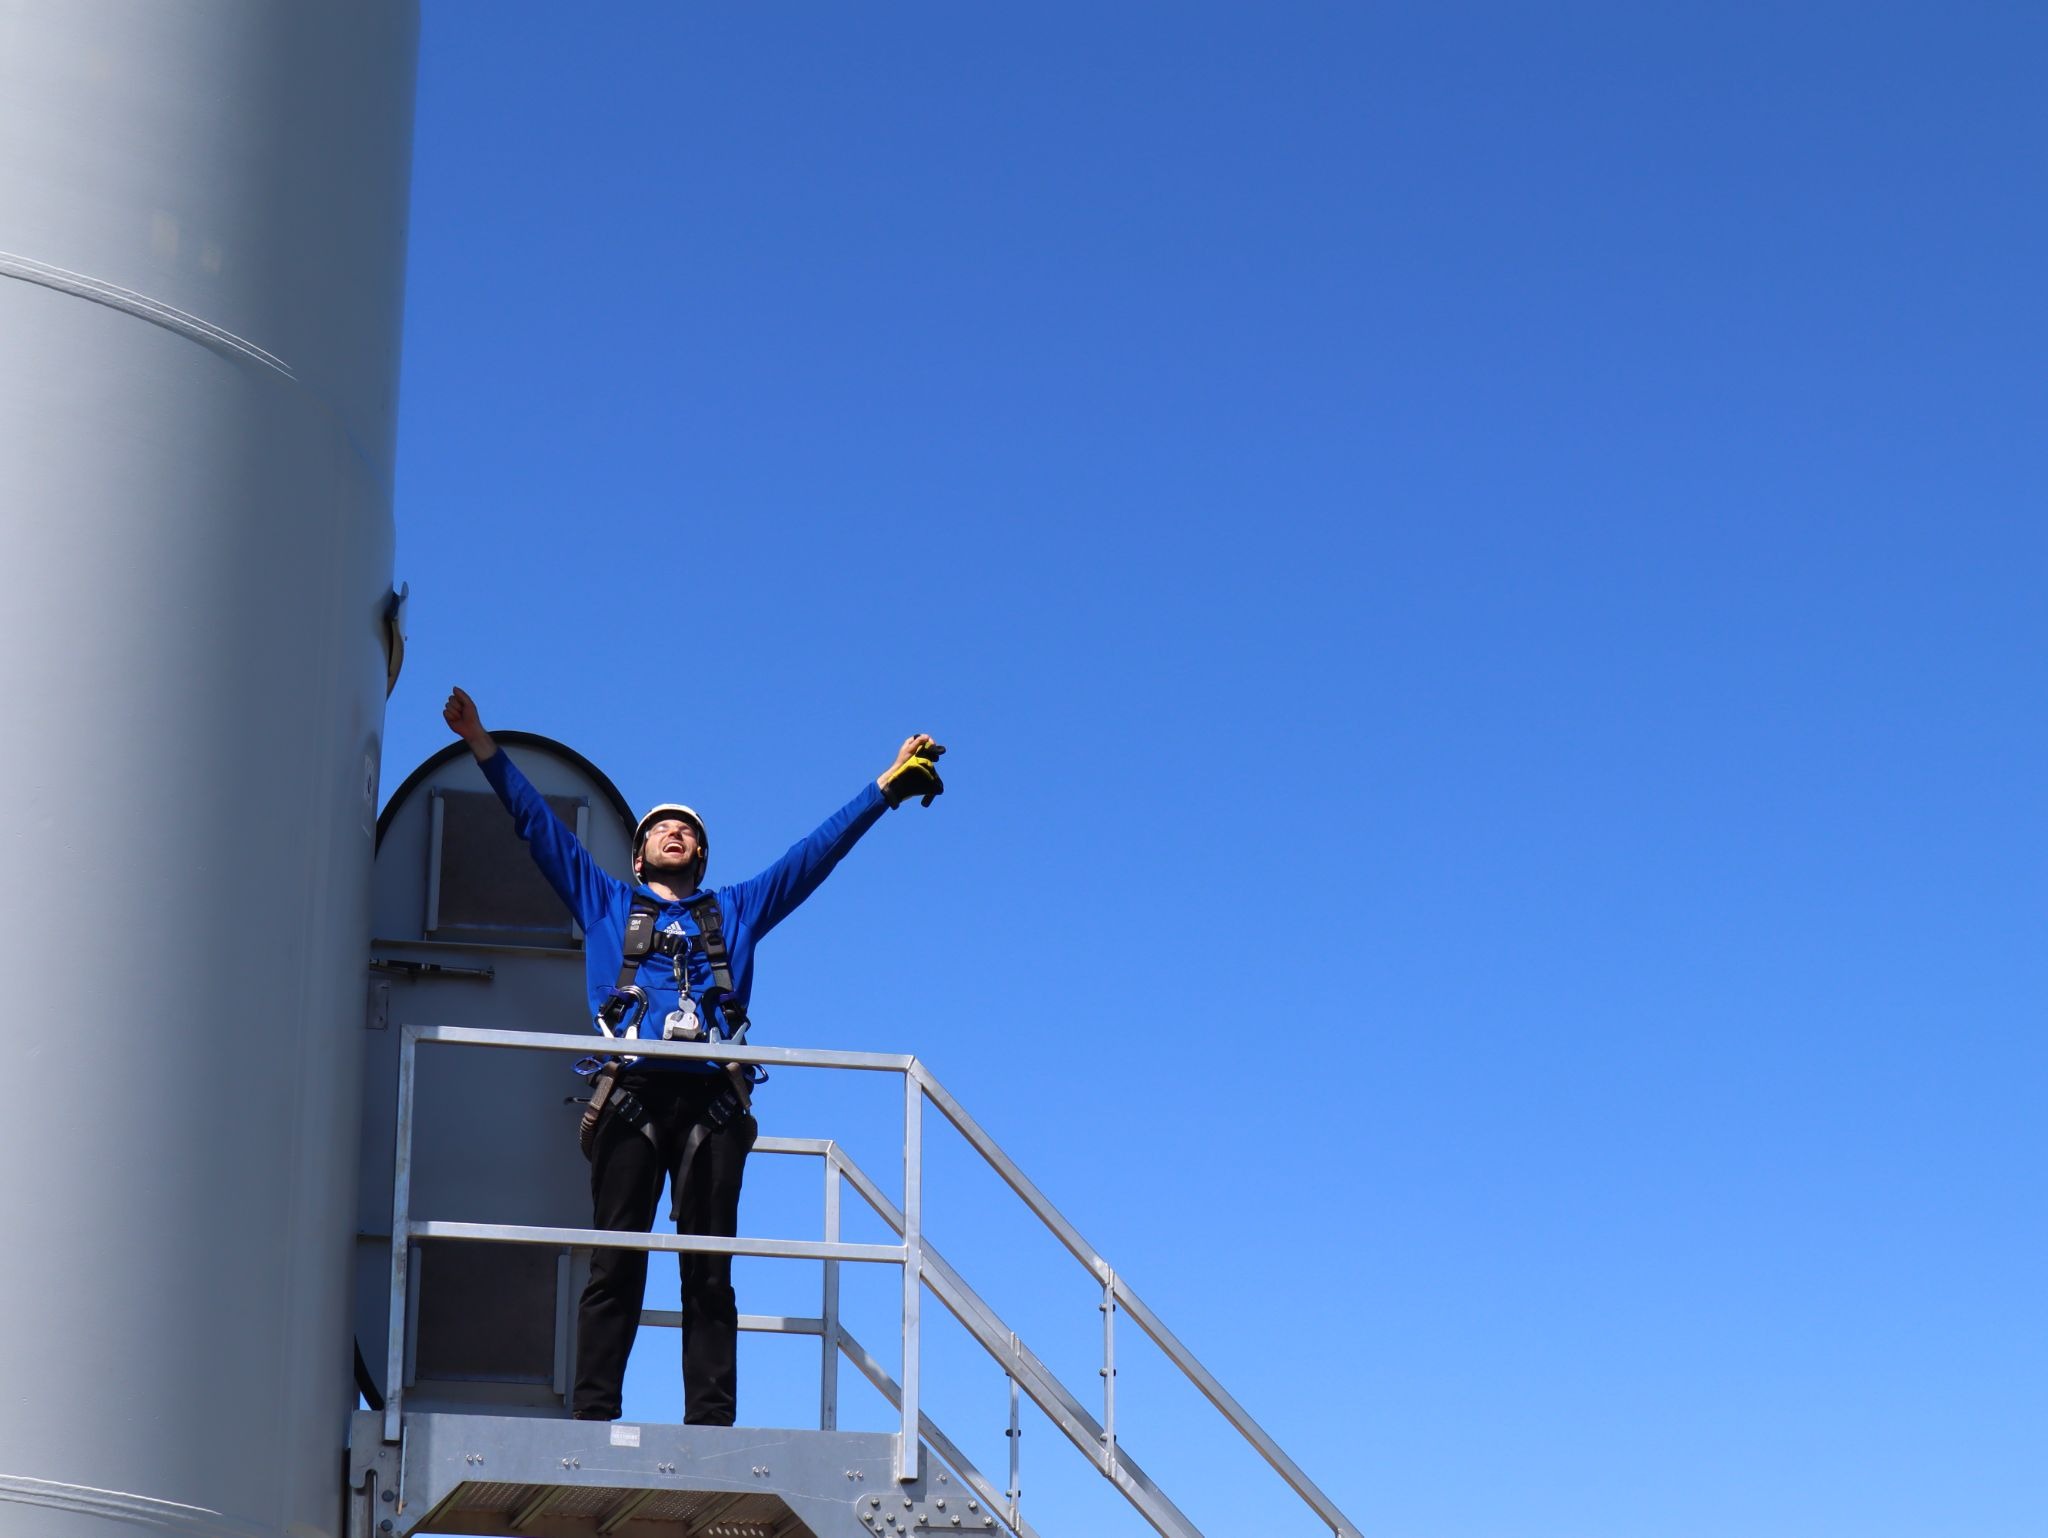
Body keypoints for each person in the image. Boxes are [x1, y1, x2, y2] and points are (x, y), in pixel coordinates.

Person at [442, 685, 945, 1425]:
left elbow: (813, 856)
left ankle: (710, 1423)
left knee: (709, 1271)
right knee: (616, 1262)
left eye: (686, 830)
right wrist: (480, 743)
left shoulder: (735, 910)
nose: (674, 834)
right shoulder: (606, 901)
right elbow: (536, 827)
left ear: (700, 854)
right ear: (639, 851)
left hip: (712, 1101)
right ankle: (592, 1417)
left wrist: (882, 789)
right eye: (660, 828)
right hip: (633, 1095)